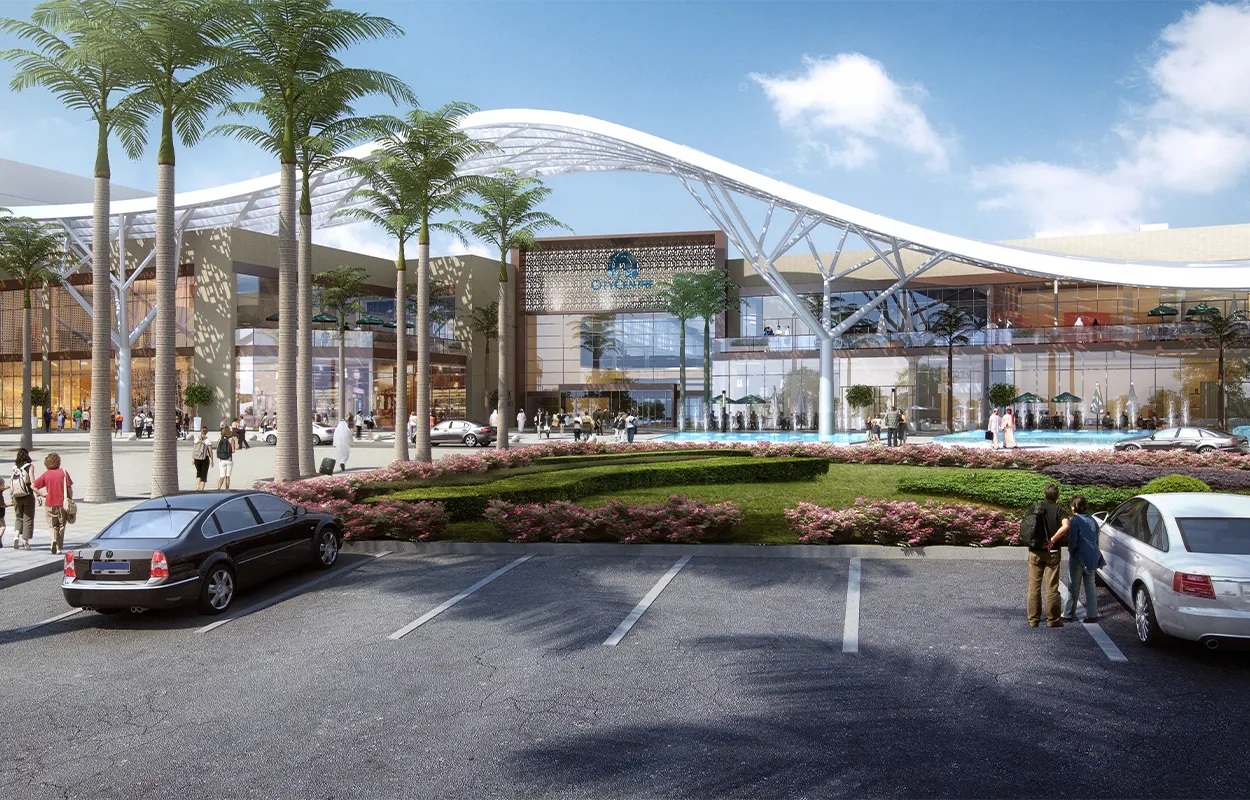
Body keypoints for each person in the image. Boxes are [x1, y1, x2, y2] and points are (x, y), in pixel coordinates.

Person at [1025, 483, 1070, 628]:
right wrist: (1053, 540)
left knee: (1034, 587)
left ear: (1044, 495)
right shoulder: (1059, 510)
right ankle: (1052, 620)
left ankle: (1033, 619)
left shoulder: (1035, 508)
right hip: (1052, 552)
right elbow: (1066, 525)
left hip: (1035, 551)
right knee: (1052, 587)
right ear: (1057, 497)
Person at [1061, 494, 1103, 624]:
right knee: (1090, 585)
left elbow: (1073, 540)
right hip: (1092, 556)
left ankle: (1068, 613)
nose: (1071, 507)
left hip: (1079, 556)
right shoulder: (1092, 520)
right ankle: (1092, 615)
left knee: (1073, 585)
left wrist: (1071, 552)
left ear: (1075, 507)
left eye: (1072, 505)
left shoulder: (1075, 521)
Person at [32, 453, 72, 555]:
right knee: (61, 525)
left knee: (52, 524)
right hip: (62, 503)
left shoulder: (46, 474)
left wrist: (42, 494)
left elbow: (33, 486)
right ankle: (59, 548)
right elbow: (69, 489)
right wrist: (70, 499)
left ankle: (53, 539)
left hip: (49, 502)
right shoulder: (63, 472)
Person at [10, 450, 35, 551]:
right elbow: (32, 481)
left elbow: (12, 482)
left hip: (16, 496)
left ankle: (16, 536)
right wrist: (38, 495)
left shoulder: (14, 467)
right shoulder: (30, 466)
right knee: (28, 518)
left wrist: (11, 496)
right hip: (27, 494)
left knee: (18, 517)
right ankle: (25, 542)